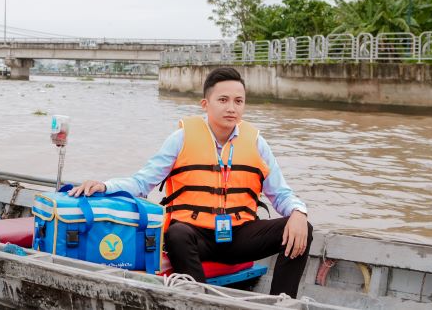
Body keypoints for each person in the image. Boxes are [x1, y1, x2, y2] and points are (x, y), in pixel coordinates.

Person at [69, 67, 312, 298]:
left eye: (238, 101)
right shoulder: (182, 138)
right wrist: (105, 186)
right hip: (195, 237)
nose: (231, 108)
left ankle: (281, 302)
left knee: (303, 228)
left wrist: (298, 212)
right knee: (176, 233)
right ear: (205, 104)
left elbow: (281, 193)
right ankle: (201, 301)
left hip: (239, 236)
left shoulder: (256, 142)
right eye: (223, 100)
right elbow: (143, 182)